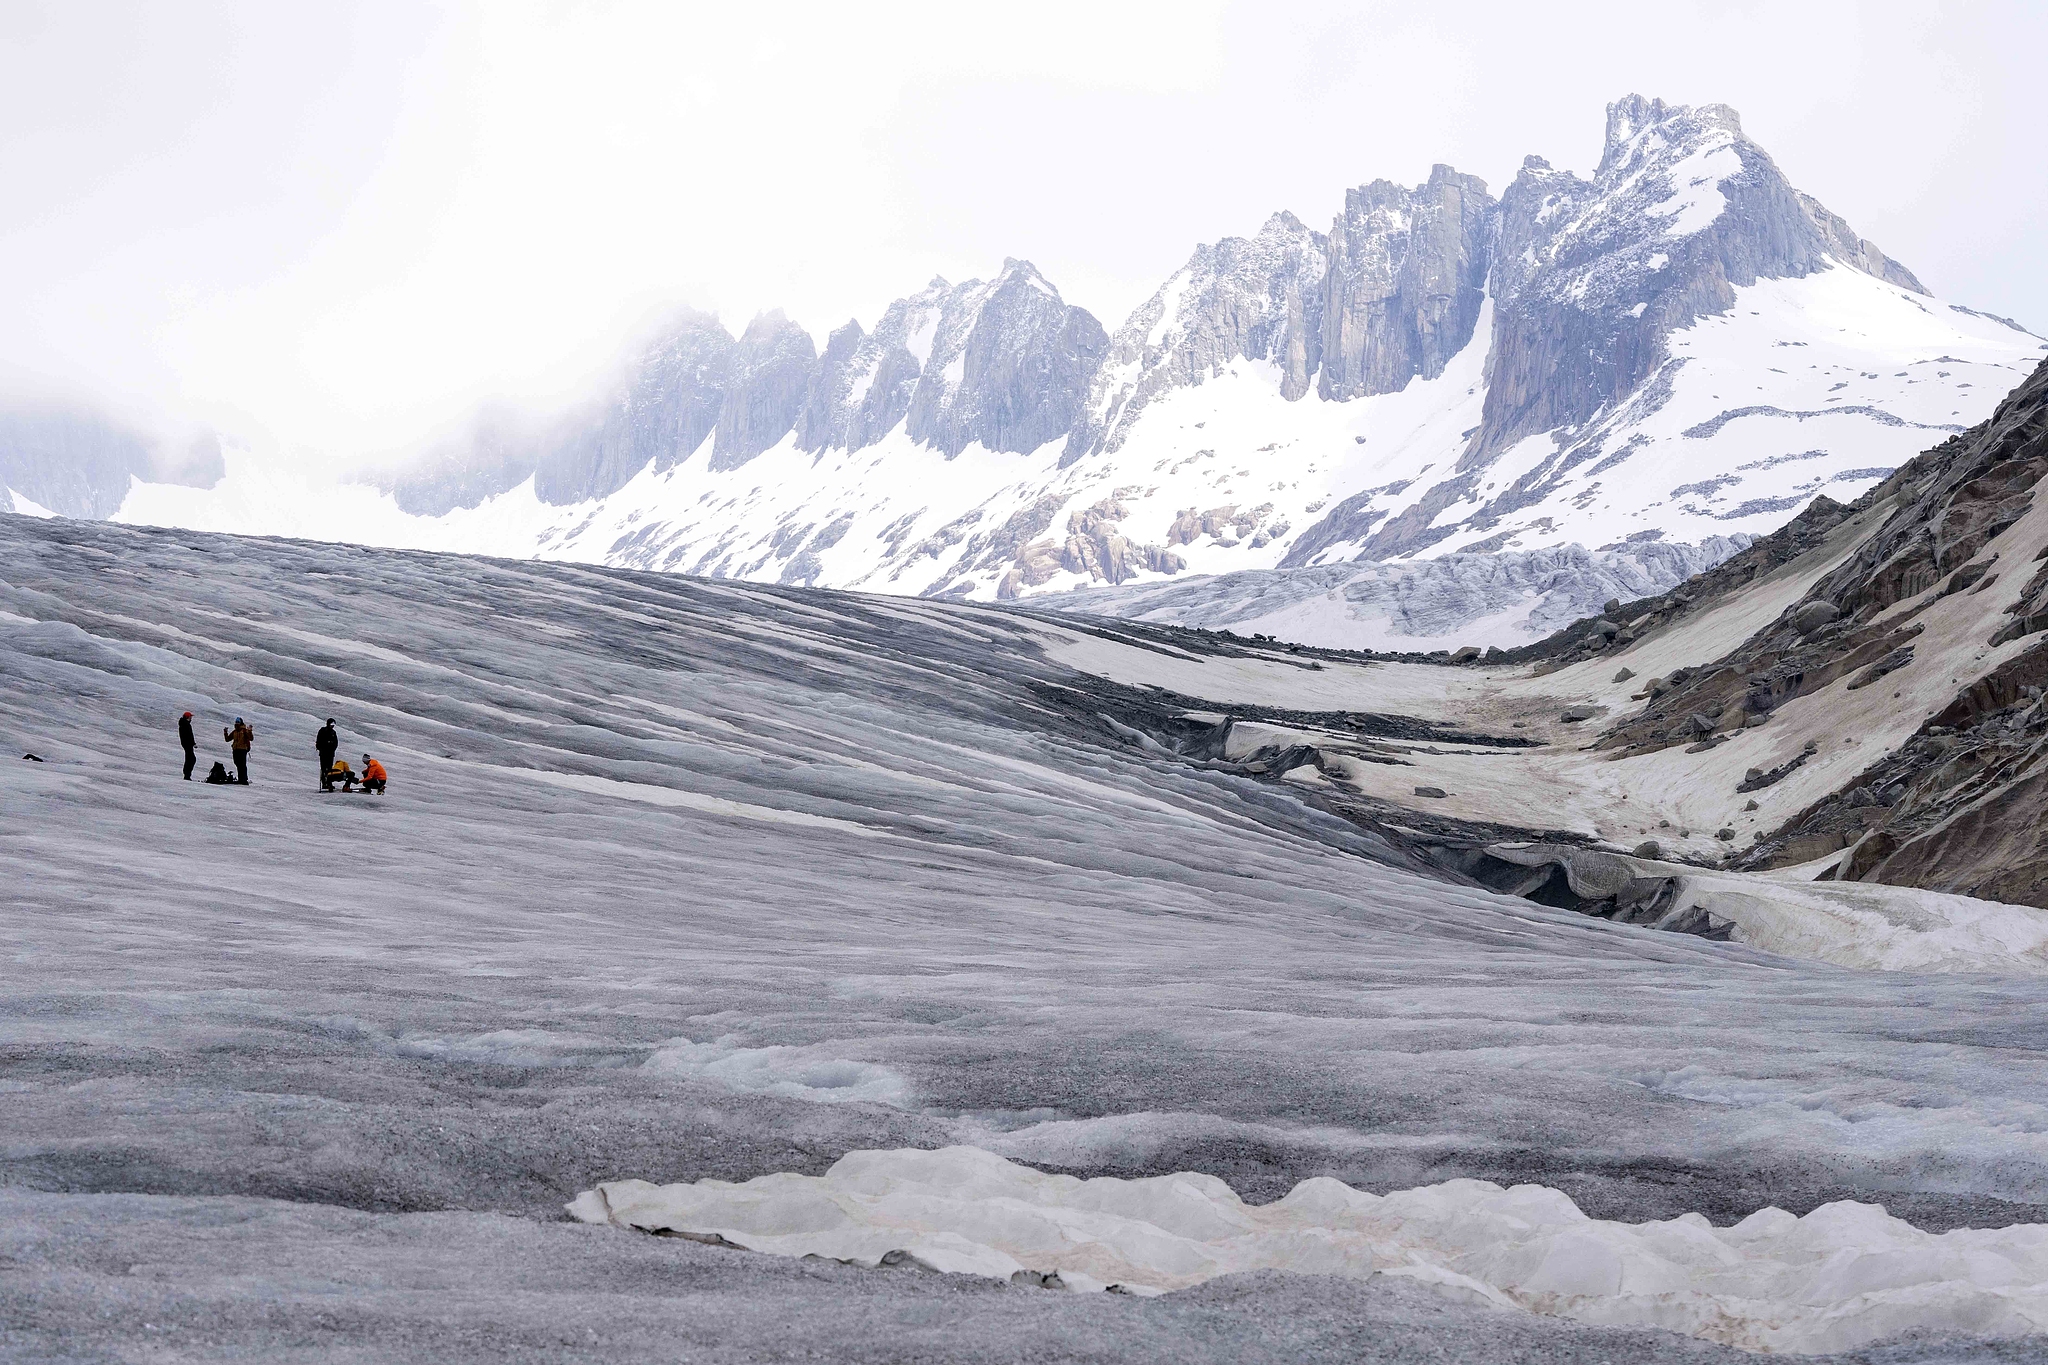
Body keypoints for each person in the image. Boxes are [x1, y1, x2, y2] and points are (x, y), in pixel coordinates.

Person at [224, 717, 255, 785]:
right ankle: (241, 779)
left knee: (242, 765)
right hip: (235, 749)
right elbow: (227, 739)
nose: (237, 723)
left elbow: (251, 738)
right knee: (238, 764)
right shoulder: (235, 731)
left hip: (242, 749)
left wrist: (249, 731)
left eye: (238, 722)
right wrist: (225, 733)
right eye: (236, 722)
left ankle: (243, 779)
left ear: (241, 723)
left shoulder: (244, 730)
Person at [316, 718, 339, 790]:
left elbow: (336, 743)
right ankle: (324, 783)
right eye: (331, 724)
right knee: (323, 768)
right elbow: (319, 740)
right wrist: (322, 747)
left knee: (329, 768)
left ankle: (329, 782)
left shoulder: (333, 732)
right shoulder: (323, 730)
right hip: (323, 753)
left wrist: (332, 749)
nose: (332, 726)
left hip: (330, 753)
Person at [178, 711, 197, 780]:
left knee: (190, 759)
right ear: (187, 717)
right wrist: (193, 743)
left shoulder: (183, 724)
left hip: (186, 744)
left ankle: (187, 774)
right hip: (187, 744)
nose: (191, 718)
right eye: (190, 717)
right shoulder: (186, 725)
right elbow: (189, 735)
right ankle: (187, 775)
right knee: (191, 759)